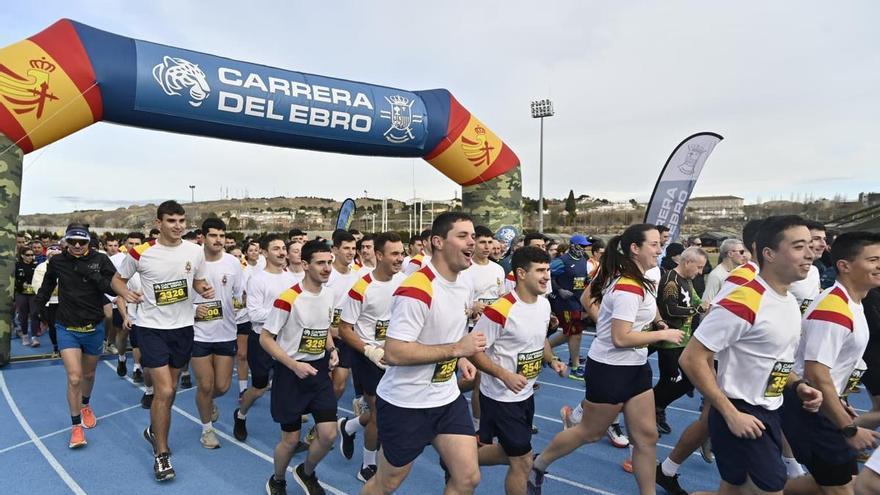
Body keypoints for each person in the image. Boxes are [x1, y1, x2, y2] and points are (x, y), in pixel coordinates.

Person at [529, 224, 684, 495]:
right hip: (611, 369)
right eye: (655, 244)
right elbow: (620, 338)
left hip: (636, 367)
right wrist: (665, 334)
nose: (660, 250)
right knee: (589, 432)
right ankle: (538, 465)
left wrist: (658, 322)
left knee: (647, 437)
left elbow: (636, 316)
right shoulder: (627, 287)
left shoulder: (646, 277)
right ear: (635, 249)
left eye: (661, 244)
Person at [680, 215, 823, 495]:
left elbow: (775, 360)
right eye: (798, 246)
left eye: (811, 245)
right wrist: (730, 414)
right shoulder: (744, 300)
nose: (810, 253)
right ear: (768, 254)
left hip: (769, 411)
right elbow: (692, 357)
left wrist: (798, 385)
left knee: (733, 491)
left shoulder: (788, 301)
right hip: (742, 413)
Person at [361, 212, 486, 495]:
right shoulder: (417, 288)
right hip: (406, 404)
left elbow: (448, 334)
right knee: (388, 482)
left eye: (474, 237)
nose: (472, 243)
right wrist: (457, 349)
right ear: (438, 242)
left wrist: (462, 357)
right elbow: (393, 352)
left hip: (447, 397)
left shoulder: (465, 283)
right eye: (463, 236)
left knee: (467, 477)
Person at [113, 201, 214, 481]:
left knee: (165, 396)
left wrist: (203, 289)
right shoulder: (141, 252)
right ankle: (162, 454)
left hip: (183, 328)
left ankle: (154, 431)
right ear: (159, 223)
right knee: (166, 391)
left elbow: (197, 281)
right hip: (151, 329)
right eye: (171, 221)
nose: (178, 226)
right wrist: (127, 293)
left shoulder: (195, 251)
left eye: (182, 220)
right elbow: (116, 281)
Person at [781, 232, 880, 494]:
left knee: (839, 483)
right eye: (873, 260)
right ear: (844, 266)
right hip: (811, 409)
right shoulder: (834, 309)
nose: (879, 265)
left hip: (823, 406)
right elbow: (816, 374)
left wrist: (841, 402)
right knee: (843, 488)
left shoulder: (853, 304)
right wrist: (848, 429)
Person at [471, 246, 566, 495]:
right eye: (540, 271)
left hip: (525, 395)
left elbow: (539, 340)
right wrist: (505, 375)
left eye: (547, 270)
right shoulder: (500, 311)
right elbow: (473, 350)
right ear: (522, 273)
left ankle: (460, 458)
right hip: (500, 397)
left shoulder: (544, 305)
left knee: (513, 452)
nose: (547, 276)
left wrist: (552, 358)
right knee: (522, 460)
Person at [263, 240, 339, 495]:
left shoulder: (329, 293)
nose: (327, 268)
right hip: (290, 373)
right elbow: (265, 338)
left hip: (318, 372)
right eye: (321, 263)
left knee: (328, 435)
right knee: (291, 440)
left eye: (329, 262)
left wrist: (331, 349)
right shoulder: (287, 299)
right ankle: (277, 479)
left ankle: (306, 472)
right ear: (305, 265)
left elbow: (323, 327)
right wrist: (294, 364)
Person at [34, 224, 118, 449]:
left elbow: (112, 288)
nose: (78, 246)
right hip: (67, 327)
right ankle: (76, 428)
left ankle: (86, 404)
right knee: (74, 377)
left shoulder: (100, 261)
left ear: (89, 242)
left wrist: (91, 274)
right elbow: (47, 284)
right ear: (66, 242)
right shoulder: (57, 262)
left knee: (88, 374)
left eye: (82, 242)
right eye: (73, 242)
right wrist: (38, 306)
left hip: (93, 326)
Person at [337, 232, 407, 482]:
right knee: (380, 413)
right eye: (394, 254)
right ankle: (367, 465)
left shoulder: (407, 282)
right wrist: (370, 350)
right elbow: (344, 328)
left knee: (391, 411)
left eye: (402, 253)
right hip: (368, 357)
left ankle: (350, 426)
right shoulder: (361, 287)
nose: (400, 258)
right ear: (379, 255)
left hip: (398, 355)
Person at [234, 234, 297, 441]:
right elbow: (254, 314)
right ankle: (241, 415)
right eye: (276, 249)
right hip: (261, 340)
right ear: (264, 253)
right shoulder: (257, 279)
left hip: (286, 341)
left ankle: (289, 437)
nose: (281, 252)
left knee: (288, 387)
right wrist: (282, 312)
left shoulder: (291, 279)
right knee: (259, 388)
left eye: (283, 248)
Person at [191, 218, 243, 449]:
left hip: (226, 333)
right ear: (203, 237)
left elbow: (240, 295)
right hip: (198, 334)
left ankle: (207, 402)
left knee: (221, 386)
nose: (218, 240)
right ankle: (207, 431)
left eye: (222, 236)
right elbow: (179, 294)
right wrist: (193, 309)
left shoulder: (233, 263)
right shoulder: (192, 262)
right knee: (204, 385)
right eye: (213, 235)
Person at [653, 247, 708, 439]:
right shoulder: (670, 280)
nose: (700, 272)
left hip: (683, 338)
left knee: (688, 380)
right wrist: (696, 310)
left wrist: (708, 307)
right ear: (687, 263)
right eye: (699, 267)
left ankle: (656, 406)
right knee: (670, 379)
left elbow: (697, 301)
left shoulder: (687, 280)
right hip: (669, 338)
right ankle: (653, 409)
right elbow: (670, 310)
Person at [549, 234, 591, 381]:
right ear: (573, 245)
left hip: (578, 300)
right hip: (565, 303)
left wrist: (587, 280)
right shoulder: (562, 261)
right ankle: (575, 367)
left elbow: (583, 277)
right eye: (582, 246)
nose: (584, 248)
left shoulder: (584, 259)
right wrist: (559, 290)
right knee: (576, 333)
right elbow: (548, 276)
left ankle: (545, 347)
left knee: (570, 333)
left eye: (586, 246)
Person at [110, 232, 146, 377]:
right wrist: (125, 315)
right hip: (120, 302)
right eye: (131, 243)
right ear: (125, 245)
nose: (134, 247)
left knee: (138, 340)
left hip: (141, 310)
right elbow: (114, 285)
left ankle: (137, 367)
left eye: (137, 244)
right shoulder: (116, 261)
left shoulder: (151, 261)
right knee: (123, 335)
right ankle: (122, 357)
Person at [31, 243, 63, 356]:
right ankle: (55, 347)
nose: (53, 257)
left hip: (65, 302)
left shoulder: (65, 266)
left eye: (56, 255)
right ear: (48, 255)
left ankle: (67, 348)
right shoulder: (41, 268)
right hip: (50, 303)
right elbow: (38, 287)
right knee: (53, 327)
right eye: (51, 254)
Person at [702, 238, 747, 303]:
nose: (744, 255)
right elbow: (706, 302)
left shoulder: (738, 272)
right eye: (741, 252)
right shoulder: (716, 275)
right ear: (730, 254)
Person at [14, 246, 40, 346]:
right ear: (22, 256)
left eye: (32, 255)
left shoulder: (36, 265)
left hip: (33, 294)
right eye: (28, 255)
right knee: (23, 315)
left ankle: (34, 337)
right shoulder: (17, 265)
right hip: (21, 293)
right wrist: (21, 285)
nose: (30, 257)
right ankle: (25, 336)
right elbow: (13, 280)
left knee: (34, 314)